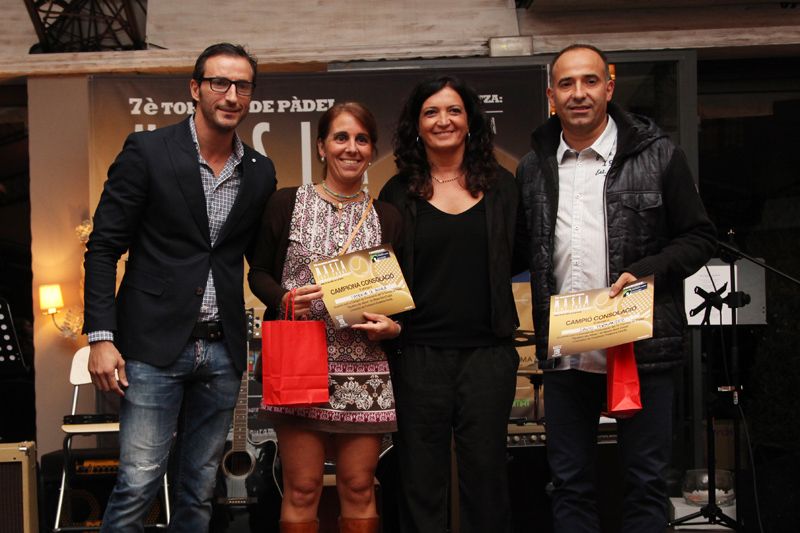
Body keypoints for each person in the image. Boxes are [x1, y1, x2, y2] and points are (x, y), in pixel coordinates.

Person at [516, 44, 717, 533]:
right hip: (567, 353)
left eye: (589, 81)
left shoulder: (659, 155)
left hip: (641, 347)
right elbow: (522, 251)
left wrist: (650, 268)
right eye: (566, 83)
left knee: (646, 483)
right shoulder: (533, 168)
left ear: (609, 87)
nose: (578, 93)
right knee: (568, 484)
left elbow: (699, 238)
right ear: (551, 96)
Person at [83, 42, 277, 532]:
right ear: (195, 88)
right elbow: (103, 248)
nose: (231, 95)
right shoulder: (148, 151)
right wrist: (101, 338)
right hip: (151, 348)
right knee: (138, 482)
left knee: (200, 488)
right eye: (219, 82)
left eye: (242, 85)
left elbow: (260, 262)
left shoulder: (260, 171)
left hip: (222, 351)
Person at [379, 76, 528, 533]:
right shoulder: (397, 191)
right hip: (417, 354)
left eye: (453, 110)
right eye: (431, 112)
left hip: (488, 355)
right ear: (417, 125)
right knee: (419, 481)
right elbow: (385, 270)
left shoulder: (503, 187)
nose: (443, 120)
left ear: (470, 121)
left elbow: (519, 254)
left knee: (487, 480)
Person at [248, 102, 402, 533]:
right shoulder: (286, 203)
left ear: (371, 150)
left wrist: (394, 327)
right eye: (341, 138)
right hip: (299, 363)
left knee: (359, 487)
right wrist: (283, 300)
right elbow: (258, 272)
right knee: (302, 488)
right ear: (321, 147)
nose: (351, 148)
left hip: (364, 369)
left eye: (361, 139)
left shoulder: (388, 216)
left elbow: (404, 295)